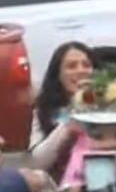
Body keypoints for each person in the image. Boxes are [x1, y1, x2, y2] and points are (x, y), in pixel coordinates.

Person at [28, 42, 96, 179]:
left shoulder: (111, 102)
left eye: (87, 65)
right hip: (63, 183)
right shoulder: (44, 109)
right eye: (71, 66)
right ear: (58, 75)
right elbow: (37, 162)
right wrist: (67, 126)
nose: (81, 71)